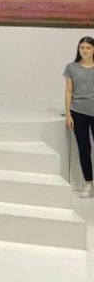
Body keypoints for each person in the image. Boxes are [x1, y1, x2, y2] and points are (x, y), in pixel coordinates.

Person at [64, 36, 94, 198]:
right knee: (84, 149)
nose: (85, 50)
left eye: (88, 47)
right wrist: (68, 114)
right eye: (82, 47)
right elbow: (69, 92)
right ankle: (89, 184)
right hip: (78, 112)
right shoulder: (71, 67)